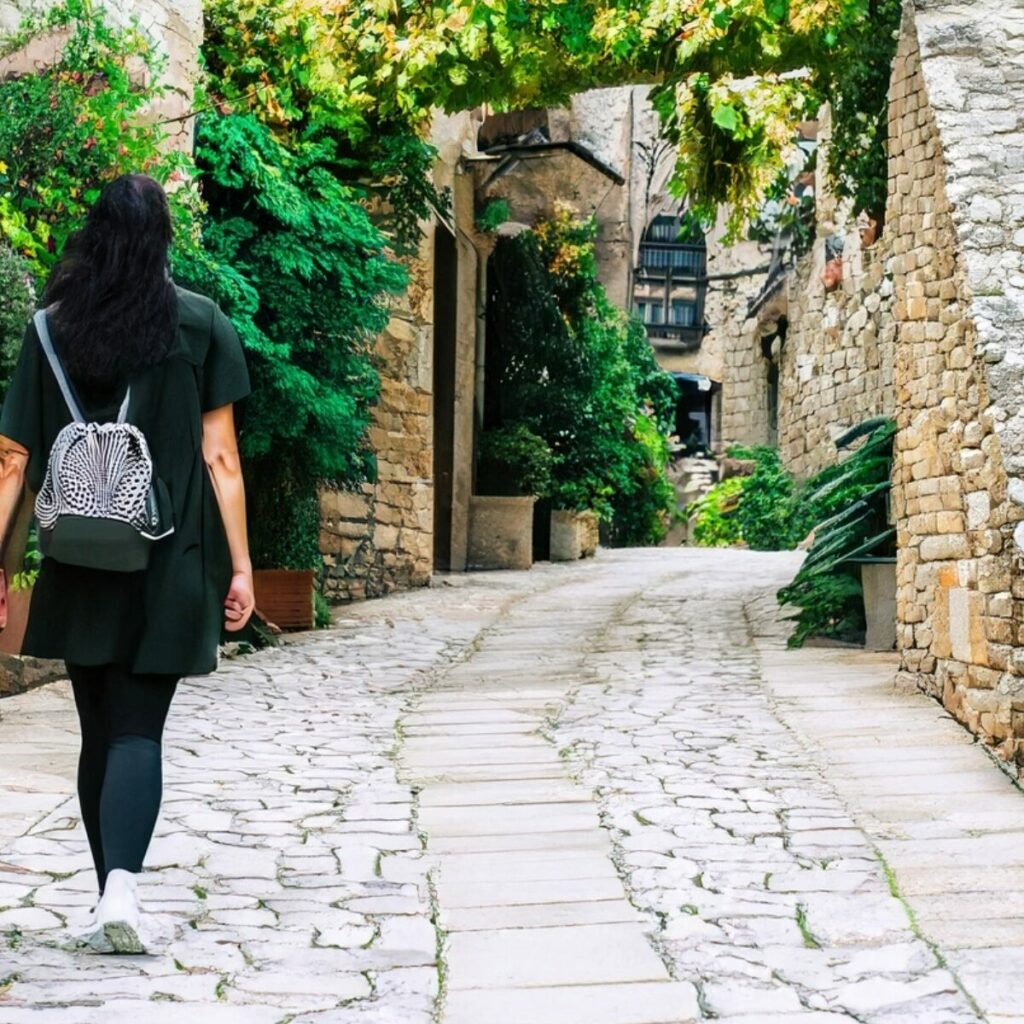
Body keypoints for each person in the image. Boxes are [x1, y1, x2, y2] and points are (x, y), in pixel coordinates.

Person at [0, 174, 255, 953]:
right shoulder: (201, 324)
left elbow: (14, 460)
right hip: (170, 559)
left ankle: (107, 890)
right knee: (138, 730)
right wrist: (241, 567)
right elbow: (221, 458)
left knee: (96, 728)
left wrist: (1, 570)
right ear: (163, 238)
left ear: (95, 234)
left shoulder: (49, 330)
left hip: (80, 555)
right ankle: (122, 892)